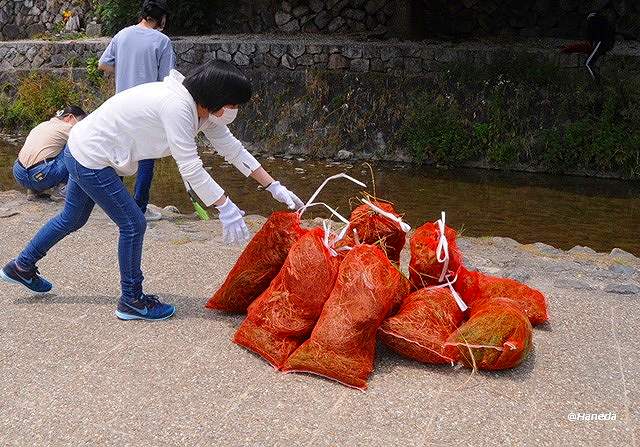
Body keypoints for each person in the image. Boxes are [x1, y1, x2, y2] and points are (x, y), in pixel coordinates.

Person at [0, 60, 303, 322]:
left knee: (72, 218)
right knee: (133, 223)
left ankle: (22, 266)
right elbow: (191, 167)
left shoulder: (203, 110)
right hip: (91, 156)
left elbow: (233, 150)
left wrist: (273, 185)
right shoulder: (178, 107)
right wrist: (224, 205)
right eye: (233, 104)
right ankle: (132, 300)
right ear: (217, 98)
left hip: (82, 146)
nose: (234, 111)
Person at [98, 0, 175, 221]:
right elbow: (167, 80)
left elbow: (103, 64)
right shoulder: (162, 41)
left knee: (120, 156)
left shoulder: (121, 35)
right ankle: (139, 208)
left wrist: (123, 69)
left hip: (120, 107)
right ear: (160, 18)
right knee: (146, 158)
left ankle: (117, 207)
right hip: (147, 108)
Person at [13, 106, 86, 198]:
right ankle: (62, 189)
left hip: (19, 174)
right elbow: (87, 145)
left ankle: (33, 190)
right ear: (70, 117)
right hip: (42, 176)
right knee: (74, 147)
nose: (81, 124)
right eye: (81, 121)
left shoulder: (42, 125)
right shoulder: (68, 128)